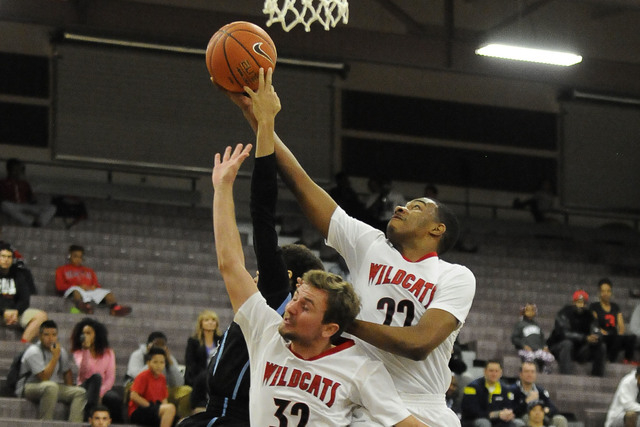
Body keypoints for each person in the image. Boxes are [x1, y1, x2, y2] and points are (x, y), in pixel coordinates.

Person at [209, 69, 426, 426]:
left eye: (305, 304)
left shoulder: (361, 369)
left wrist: (264, 122)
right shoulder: (268, 331)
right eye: (296, 298)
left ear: (329, 328)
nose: (290, 308)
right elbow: (231, 264)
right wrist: (221, 189)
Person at [264, 69, 475, 425]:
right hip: (362, 405)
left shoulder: (456, 276)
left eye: (417, 207)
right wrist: (262, 122)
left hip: (423, 406)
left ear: (437, 230)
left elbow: (418, 344)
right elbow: (303, 185)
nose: (401, 207)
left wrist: (344, 320)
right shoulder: (371, 245)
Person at [178, 77, 326, 426]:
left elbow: (262, 216)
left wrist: (265, 125)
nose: (257, 275)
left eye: (267, 270)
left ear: (290, 279)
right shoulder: (271, 316)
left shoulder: (275, 304)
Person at [16, 319, 87, 422]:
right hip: (29, 386)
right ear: (40, 336)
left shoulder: (60, 351)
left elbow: (67, 372)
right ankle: (45, 423)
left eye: (54, 335)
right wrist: (55, 357)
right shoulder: (34, 351)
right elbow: (44, 377)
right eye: (46, 335)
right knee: (51, 386)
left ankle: (74, 424)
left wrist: (68, 393)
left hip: (51, 387)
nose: (51, 338)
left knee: (80, 392)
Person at [126, 331, 192, 419]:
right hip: (141, 389)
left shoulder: (167, 358)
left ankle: (182, 419)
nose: (159, 347)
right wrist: (151, 359)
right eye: (156, 344)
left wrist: (169, 361)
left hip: (161, 389)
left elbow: (179, 382)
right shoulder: (138, 355)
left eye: (162, 345)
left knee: (186, 390)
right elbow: (136, 377)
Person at [70, 317, 123, 423]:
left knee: (114, 399)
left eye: (89, 333)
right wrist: (86, 350)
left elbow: (110, 377)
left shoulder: (108, 353)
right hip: (85, 385)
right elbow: (84, 374)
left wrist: (100, 392)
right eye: (84, 333)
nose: (86, 336)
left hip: (102, 388)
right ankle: (89, 420)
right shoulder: (79, 352)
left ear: (96, 334)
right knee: (96, 377)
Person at [55, 244, 132, 316]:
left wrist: (94, 287)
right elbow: (59, 286)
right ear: (69, 256)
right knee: (76, 291)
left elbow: (96, 284)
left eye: (80, 257)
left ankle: (115, 309)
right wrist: (78, 286)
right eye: (75, 256)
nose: (78, 259)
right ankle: (83, 306)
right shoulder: (61, 270)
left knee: (108, 293)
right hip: (74, 290)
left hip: (89, 291)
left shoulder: (89, 270)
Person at [546, 289, 606, 376]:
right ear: (573, 302)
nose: (580, 305)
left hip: (580, 350)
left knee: (601, 346)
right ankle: (566, 376)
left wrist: (596, 337)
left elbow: (596, 329)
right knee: (567, 343)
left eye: (583, 302)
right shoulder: (564, 313)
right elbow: (564, 334)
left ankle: (597, 376)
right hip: (559, 346)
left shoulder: (589, 315)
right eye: (578, 302)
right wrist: (584, 338)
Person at [1, 242, 48, 343]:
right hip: (1, 313)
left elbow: (25, 298)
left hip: (15, 313)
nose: (6, 260)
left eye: (9, 257)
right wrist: (3, 312)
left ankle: (22, 345)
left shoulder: (18, 275)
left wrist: (16, 311)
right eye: (3, 256)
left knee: (42, 316)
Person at [461, 360, 523, 427]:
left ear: (501, 373)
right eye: (491, 371)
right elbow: (470, 411)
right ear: (485, 371)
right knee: (484, 423)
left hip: (498, 420)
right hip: (474, 420)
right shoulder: (472, 387)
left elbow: (508, 407)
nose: (494, 374)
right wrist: (493, 414)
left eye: (497, 371)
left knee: (518, 423)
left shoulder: (505, 389)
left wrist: (508, 414)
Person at [183, 309, 223, 413]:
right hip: (198, 378)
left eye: (213, 320)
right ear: (201, 323)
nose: (210, 322)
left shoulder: (222, 339)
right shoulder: (193, 341)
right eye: (207, 320)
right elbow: (190, 363)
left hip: (217, 376)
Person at [590, 278, 638, 364]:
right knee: (614, 338)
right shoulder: (594, 306)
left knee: (631, 338)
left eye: (608, 291)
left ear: (611, 292)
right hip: (602, 336)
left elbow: (621, 325)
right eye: (603, 291)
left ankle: (627, 359)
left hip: (614, 337)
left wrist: (620, 333)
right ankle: (609, 359)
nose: (606, 294)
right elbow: (593, 323)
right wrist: (601, 331)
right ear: (599, 292)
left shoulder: (615, 307)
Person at [0, 158, 57, 227]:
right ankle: (31, 223)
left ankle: (40, 223)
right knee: (4, 205)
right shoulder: (3, 182)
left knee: (52, 207)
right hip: (13, 205)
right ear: (9, 170)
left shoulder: (25, 184)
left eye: (20, 170)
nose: (18, 172)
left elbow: (31, 199)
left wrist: (34, 201)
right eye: (15, 169)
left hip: (26, 205)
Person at [128, 347, 177, 427]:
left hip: (155, 408)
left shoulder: (162, 378)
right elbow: (134, 396)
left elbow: (164, 399)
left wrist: (164, 408)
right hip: (139, 410)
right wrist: (150, 406)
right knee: (170, 409)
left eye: (162, 362)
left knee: (180, 420)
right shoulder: (143, 376)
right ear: (148, 363)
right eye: (155, 362)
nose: (159, 366)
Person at [509, 361, 568, 427]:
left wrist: (546, 411)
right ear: (520, 374)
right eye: (526, 371)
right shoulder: (512, 390)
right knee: (528, 416)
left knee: (560, 419)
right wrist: (526, 402)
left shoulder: (540, 391)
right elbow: (511, 411)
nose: (530, 374)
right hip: (522, 419)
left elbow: (553, 408)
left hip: (542, 418)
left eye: (532, 372)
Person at [511, 303, 555, 373]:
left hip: (537, 349)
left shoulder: (536, 325)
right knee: (530, 356)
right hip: (525, 350)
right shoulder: (520, 324)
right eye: (528, 310)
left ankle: (545, 371)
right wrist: (523, 345)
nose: (530, 312)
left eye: (532, 310)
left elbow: (542, 338)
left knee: (550, 357)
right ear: (524, 311)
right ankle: (526, 371)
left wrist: (544, 346)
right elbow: (514, 338)